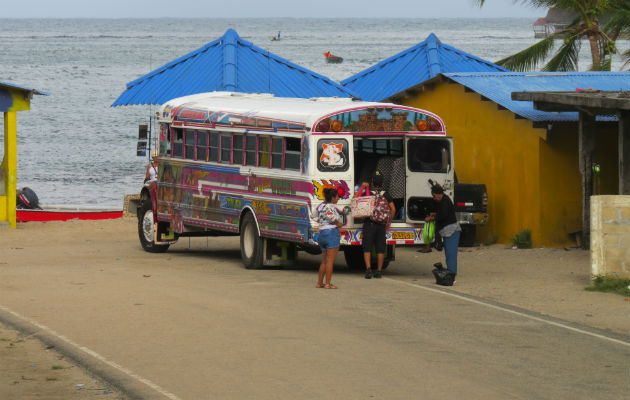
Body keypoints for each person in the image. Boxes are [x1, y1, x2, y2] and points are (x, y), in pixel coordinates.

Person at [359, 171, 395, 279]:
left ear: (372, 182)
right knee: (380, 249)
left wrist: (362, 188)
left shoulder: (368, 194)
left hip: (369, 223)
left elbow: (356, 199)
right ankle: (379, 271)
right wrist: (389, 221)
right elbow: (393, 208)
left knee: (367, 248)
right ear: (382, 182)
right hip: (381, 225)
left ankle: (369, 270)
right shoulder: (386, 194)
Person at [425, 183, 461, 278]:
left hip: (452, 230)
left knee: (450, 254)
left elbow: (443, 216)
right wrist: (434, 214)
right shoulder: (442, 201)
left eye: (434, 196)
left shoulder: (445, 202)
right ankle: (450, 273)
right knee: (448, 254)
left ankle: (452, 275)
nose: (434, 198)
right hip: (447, 231)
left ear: (438, 194)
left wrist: (432, 218)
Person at [314, 187, 343, 289]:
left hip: (322, 233)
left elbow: (313, 216)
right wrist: (338, 223)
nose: (338, 198)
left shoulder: (321, 206)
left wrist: (322, 222)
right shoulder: (330, 206)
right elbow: (332, 217)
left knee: (324, 261)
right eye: (337, 196)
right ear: (333, 197)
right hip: (331, 233)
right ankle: (327, 283)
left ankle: (319, 283)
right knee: (330, 261)